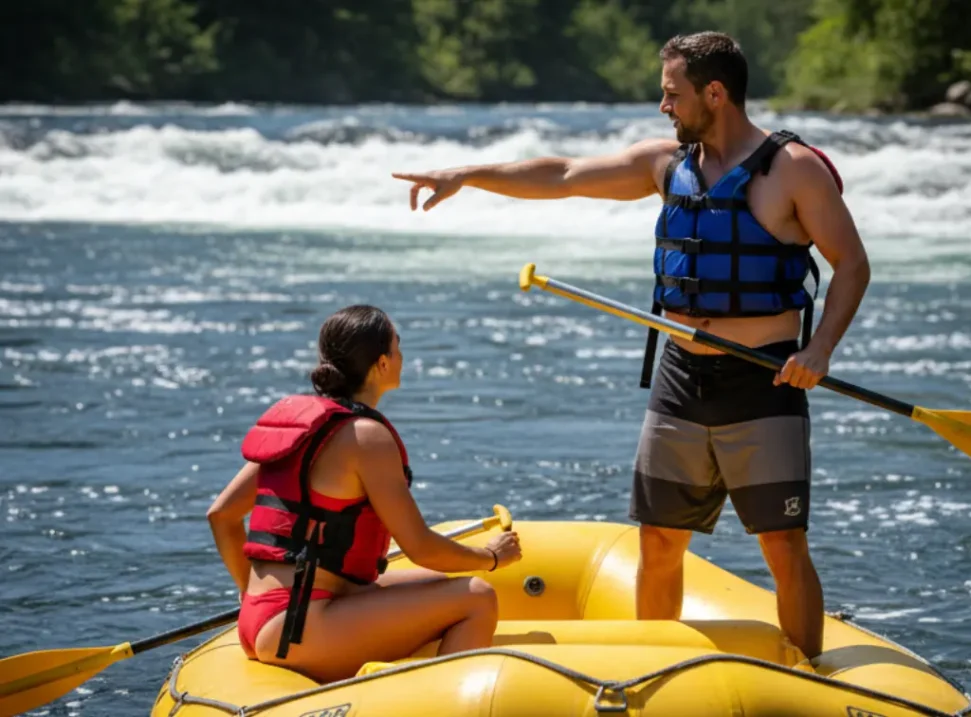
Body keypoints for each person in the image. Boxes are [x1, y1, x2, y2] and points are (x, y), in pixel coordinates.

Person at [390, 31, 870, 660]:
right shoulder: (666, 164)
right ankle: (655, 671)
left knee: (782, 546)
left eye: (673, 93)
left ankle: (811, 674)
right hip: (679, 379)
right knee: (659, 543)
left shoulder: (793, 170)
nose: (663, 105)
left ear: (715, 93)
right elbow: (562, 175)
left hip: (765, 382)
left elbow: (852, 264)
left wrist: (820, 352)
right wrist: (468, 174)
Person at [207, 305, 522, 683]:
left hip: (265, 617)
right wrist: (489, 557)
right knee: (477, 596)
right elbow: (420, 545)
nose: (403, 357)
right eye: (398, 347)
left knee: (428, 583)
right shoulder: (365, 438)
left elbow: (221, 515)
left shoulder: (304, 431)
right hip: (298, 629)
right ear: (382, 364)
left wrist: (251, 593)